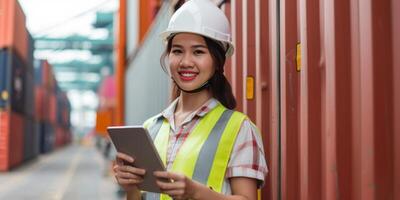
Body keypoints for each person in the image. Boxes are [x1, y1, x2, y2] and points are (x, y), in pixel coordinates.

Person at [113, 0, 268, 199]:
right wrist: (131, 189)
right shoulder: (151, 128)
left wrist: (196, 192)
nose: (186, 62)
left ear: (217, 60)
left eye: (198, 52)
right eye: (177, 51)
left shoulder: (240, 129)